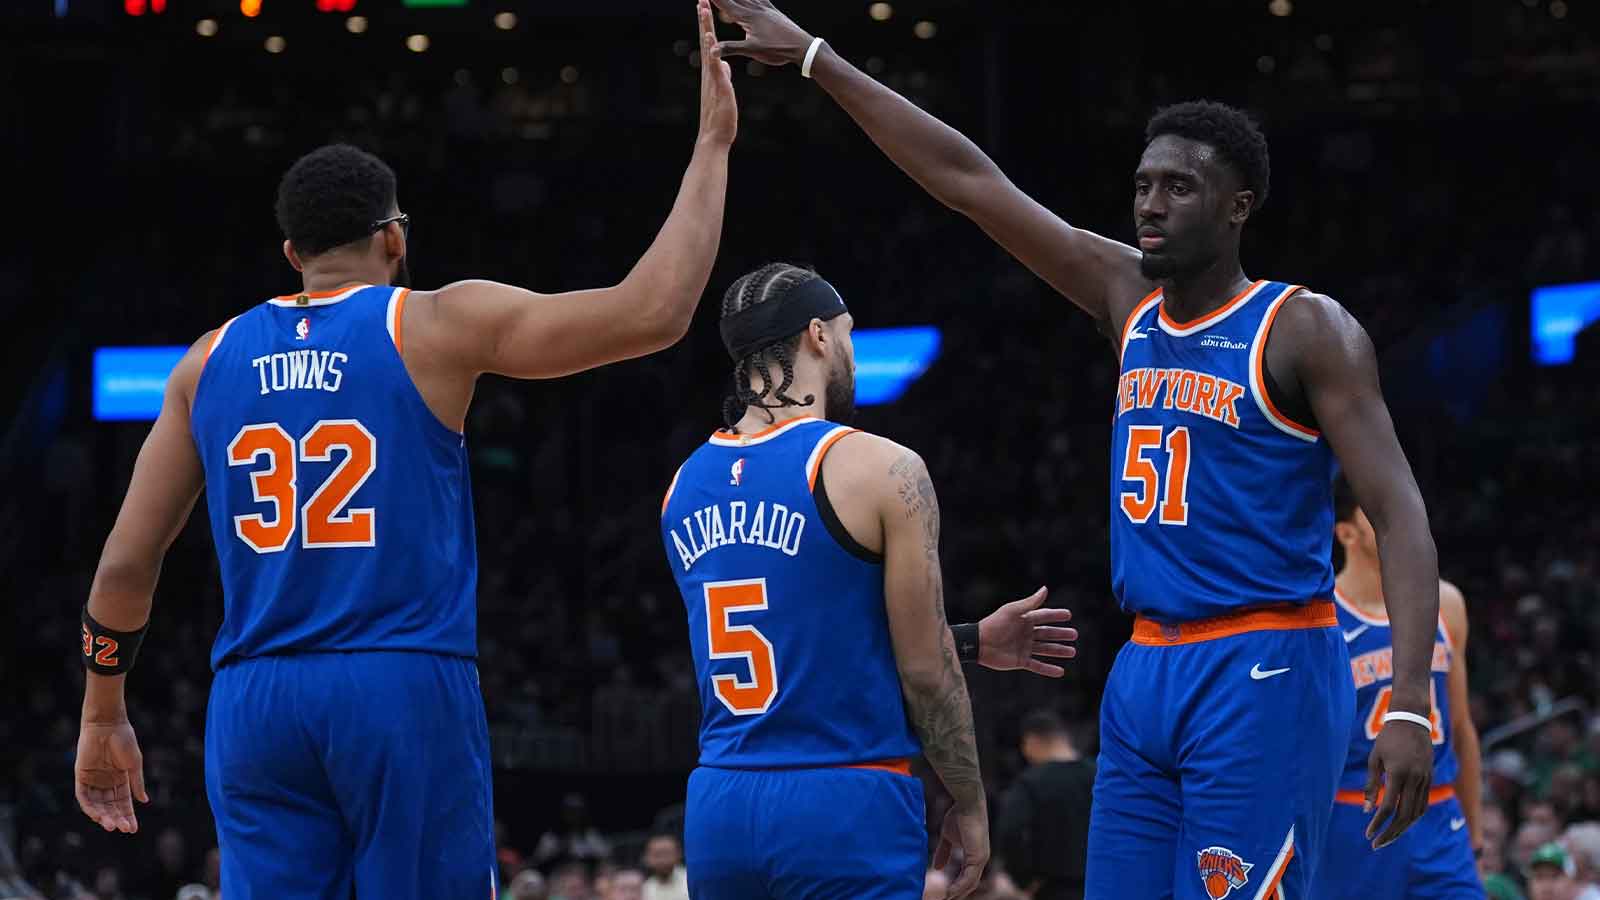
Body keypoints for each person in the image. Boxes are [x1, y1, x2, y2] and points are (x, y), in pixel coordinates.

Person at [703, 4, 1442, 896]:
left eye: (1180, 188)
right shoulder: (1124, 293)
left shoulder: (1304, 329)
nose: (1151, 205)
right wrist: (820, 59)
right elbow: (969, 181)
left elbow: (1399, 516)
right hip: (1143, 667)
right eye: (1143, 185)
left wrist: (1408, 699)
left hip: (1266, 663)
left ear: (1239, 206)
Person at [70, 4, 738, 897]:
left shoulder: (206, 360)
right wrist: (714, 147)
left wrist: (103, 713)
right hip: (397, 681)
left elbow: (124, 565)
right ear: (394, 237)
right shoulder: (427, 322)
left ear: (291, 252)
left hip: (255, 697)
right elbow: (653, 313)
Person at [660, 263, 1077, 900]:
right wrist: (967, 800)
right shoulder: (882, 467)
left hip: (721, 801)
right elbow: (925, 672)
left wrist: (965, 638)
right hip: (844, 797)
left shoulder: (682, 486)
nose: (851, 351)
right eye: (849, 334)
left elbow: (799, 626)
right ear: (819, 335)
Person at [1321, 475, 1485, 898]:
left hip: (1440, 816)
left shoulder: (1446, 603)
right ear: (1346, 533)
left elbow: (1462, 729)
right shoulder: (1322, 620)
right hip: (1355, 819)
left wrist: (1476, 837)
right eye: (1379, 512)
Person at [995, 711, 1094, 900]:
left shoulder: (1031, 781)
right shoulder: (1098, 775)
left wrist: (1023, 879)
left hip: (1051, 887)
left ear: (1032, 741)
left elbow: (1011, 830)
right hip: (1099, 884)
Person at [640, 832, 689, 900]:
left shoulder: (690, 880)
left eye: (667, 854)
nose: (663, 860)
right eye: (657, 855)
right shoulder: (645, 889)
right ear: (646, 857)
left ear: (679, 854)